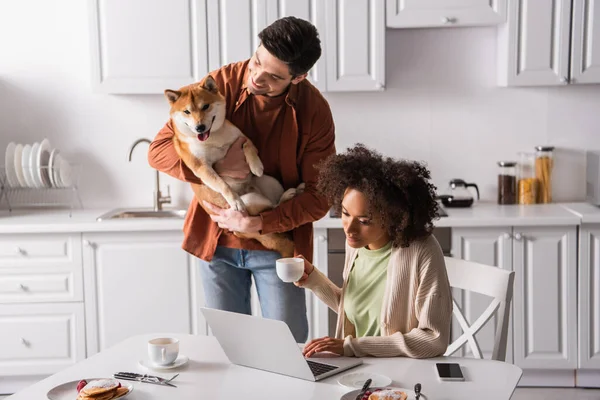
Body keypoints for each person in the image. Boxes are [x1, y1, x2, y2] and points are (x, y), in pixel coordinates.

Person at [148, 17, 336, 343]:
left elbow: (320, 196)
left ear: (299, 77)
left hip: (278, 247)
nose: (257, 77)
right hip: (216, 242)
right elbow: (159, 151)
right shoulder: (221, 83)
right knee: (231, 350)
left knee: (289, 348)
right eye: (257, 60)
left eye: (274, 77)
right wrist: (215, 171)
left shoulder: (315, 111)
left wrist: (261, 223)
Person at [295, 144, 453, 358]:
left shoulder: (421, 250)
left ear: (392, 218)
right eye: (344, 213)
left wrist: (351, 347)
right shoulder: (357, 245)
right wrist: (312, 278)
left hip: (403, 372)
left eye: (364, 221)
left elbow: (433, 340)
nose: (349, 228)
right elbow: (358, 308)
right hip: (359, 367)